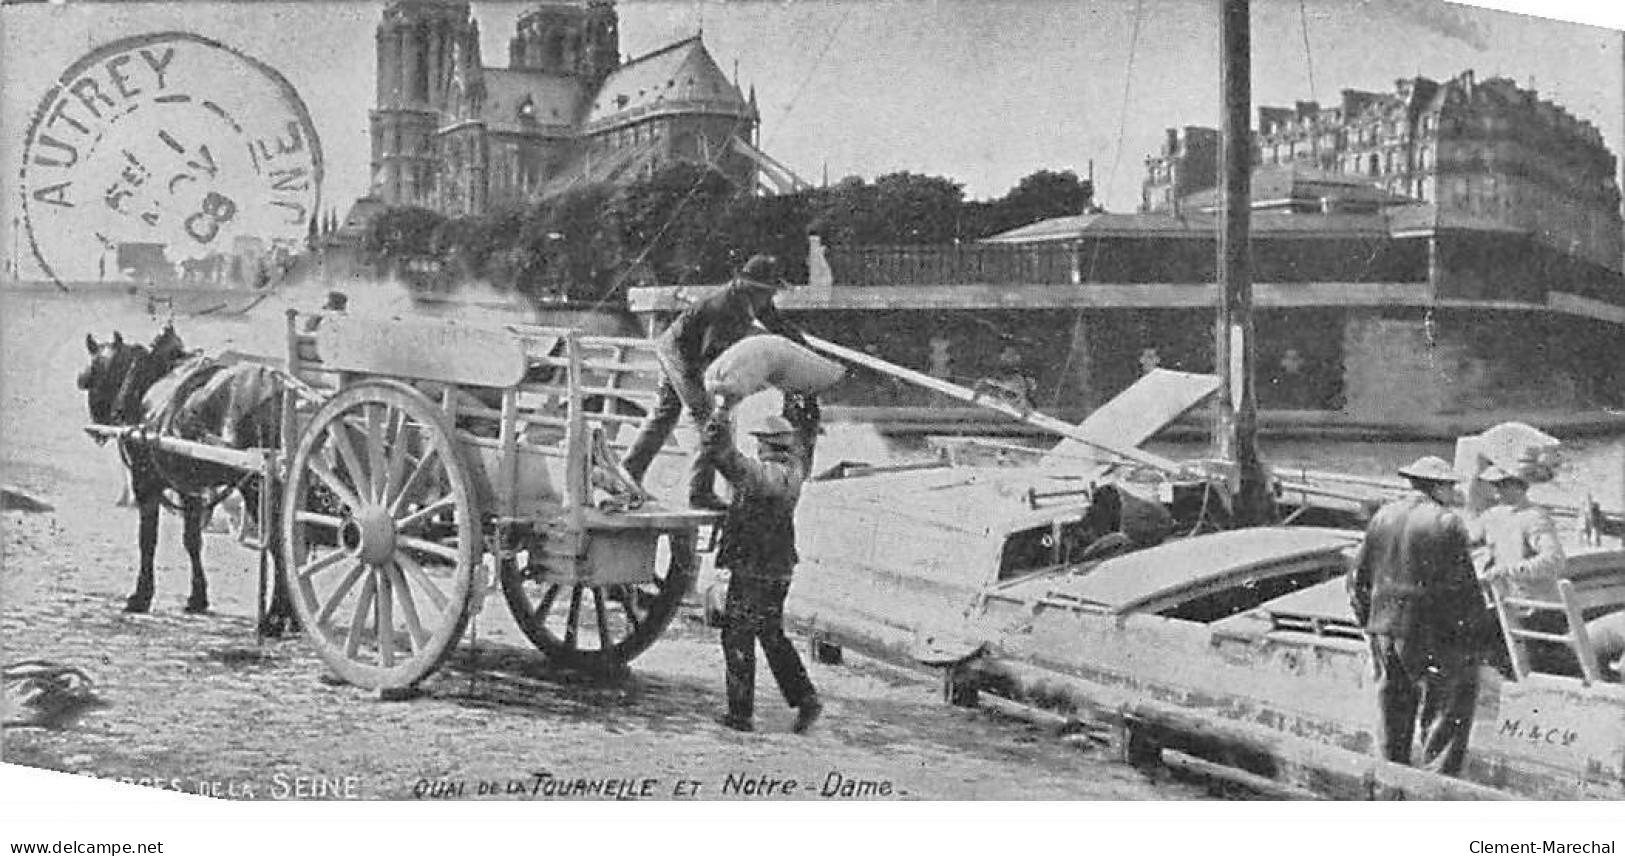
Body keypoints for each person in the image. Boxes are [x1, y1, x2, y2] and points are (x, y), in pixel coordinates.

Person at [621, 254, 805, 510]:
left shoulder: (754, 300)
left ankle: (628, 470)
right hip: (681, 355)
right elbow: (709, 358)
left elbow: (778, 325)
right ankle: (700, 492)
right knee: (707, 419)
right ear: (752, 288)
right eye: (769, 292)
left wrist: (804, 348)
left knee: (666, 413)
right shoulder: (726, 308)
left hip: (679, 348)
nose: (771, 298)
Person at [1347, 455, 1483, 775]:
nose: (1454, 493)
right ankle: (1437, 784)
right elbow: (1464, 591)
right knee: (1448, 707)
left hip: (1384, 628)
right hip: (1429, 631)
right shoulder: (1446, 522)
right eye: (1450, 487)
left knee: (1392, 709)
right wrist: (1475, 637)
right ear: (1437, 487)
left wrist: (1369, 622)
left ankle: (1392, 782)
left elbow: (1358, 579)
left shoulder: (1382, 517)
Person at [703, 409, 821, 734]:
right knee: (770, 633)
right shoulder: (793, 470)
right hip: (777, 566)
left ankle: (740, 713)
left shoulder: (773, 474)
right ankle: (805, 697)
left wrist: (716, 436)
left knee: (737, 634)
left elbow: (737, 468)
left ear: (766, 445)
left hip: (756, 566)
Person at [1471, 462, 1567, 672]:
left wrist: (1509, 570)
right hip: (1505, 604)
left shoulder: (1534, 518)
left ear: (1520, 486)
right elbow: (1467, 541)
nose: (1497, 490)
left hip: (1537, 608)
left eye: (1503, 485)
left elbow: (1554, 560)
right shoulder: (1492, 516)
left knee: (1547, 667)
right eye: (1495, 485)